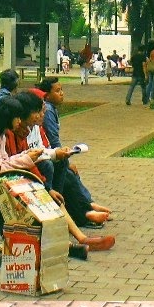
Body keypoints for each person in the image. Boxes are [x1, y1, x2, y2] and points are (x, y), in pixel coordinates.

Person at [0, 93, 115, 254]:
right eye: (17, 118)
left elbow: (6, 163)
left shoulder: (0, 135)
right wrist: (27, 159)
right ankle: (3, 236)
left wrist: (29, 160)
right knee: (30, 197)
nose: (19, 122)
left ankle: (75, 241)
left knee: (42, 193)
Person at [37, 77, 110, 226]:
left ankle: (88, 206)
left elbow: (47, 142)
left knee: (68, 173)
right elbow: (52, 140)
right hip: (43, 162)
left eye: (61, 90)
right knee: (67, 174)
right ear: (46, 95)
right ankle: (85, 212)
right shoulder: (48, 111)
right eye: (57, 91)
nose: (62, 93)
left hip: (49, 156)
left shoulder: (46, 115)